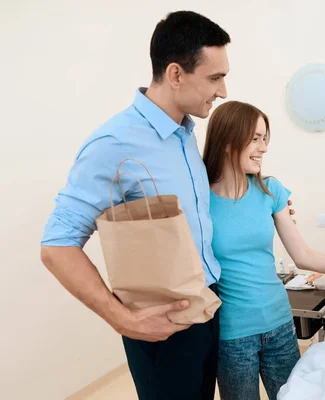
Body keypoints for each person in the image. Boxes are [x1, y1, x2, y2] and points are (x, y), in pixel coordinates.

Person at [40, 11, 234, 400]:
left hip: (208, 305)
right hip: (161, 325)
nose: (224, 91)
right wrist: (122, 319)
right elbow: (56, 246)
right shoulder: (114, 142)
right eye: (215, 78)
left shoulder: (185, 134)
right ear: (176, 74)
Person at [202, 100, 325, 400]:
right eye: (255, 138)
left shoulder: (271, 191)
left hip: (280, 324)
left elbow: (303, 256)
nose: (263, 147)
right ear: (228, 140)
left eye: (265, 139)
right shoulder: (199, 201)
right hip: (232, 336)